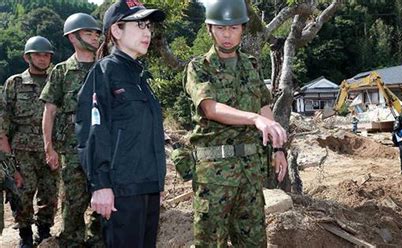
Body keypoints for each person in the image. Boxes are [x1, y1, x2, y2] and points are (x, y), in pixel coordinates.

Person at [184, 0, 288, 246]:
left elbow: (264, 106)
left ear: (242, 28)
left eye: (233, 28)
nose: (227, 34)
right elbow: (210, 108)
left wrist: (277, 148)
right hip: (214, 177)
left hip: (250, 174)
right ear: (210, 29)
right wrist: (254, 119)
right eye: (220, 28)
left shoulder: (250, 65)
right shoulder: (199, 67)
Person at [74, 1, 166, 247]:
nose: (147, 32)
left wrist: (157, 183)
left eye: (149, 26)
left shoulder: (140, 77)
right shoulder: (104, 73)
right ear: (116, 30)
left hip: (147, 186)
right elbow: (92, 131)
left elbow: (148, 134)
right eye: (139, 25)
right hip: (121, 190)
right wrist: (100, 185)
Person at [39, 13, 103, 247]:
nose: (95, 37)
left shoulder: (106, 68)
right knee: (74, 204)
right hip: (73, 149)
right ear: (73, 38)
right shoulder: (61, 72)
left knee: (104, 204)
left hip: (104, 148)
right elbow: (50, 111)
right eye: (89, 33)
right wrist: (49, 148)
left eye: (97, 33)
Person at [0, 36, 58, 247]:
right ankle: (24, 235)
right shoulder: (14, 83)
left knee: (50, 194)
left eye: (46, 55)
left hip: (50, 148)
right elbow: (3, 119)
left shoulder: (56, 80)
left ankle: (44, 232)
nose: (43, 59)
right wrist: (7, 157)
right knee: (22, 194)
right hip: (22, 150)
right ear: (27, 57)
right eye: (38, 55)